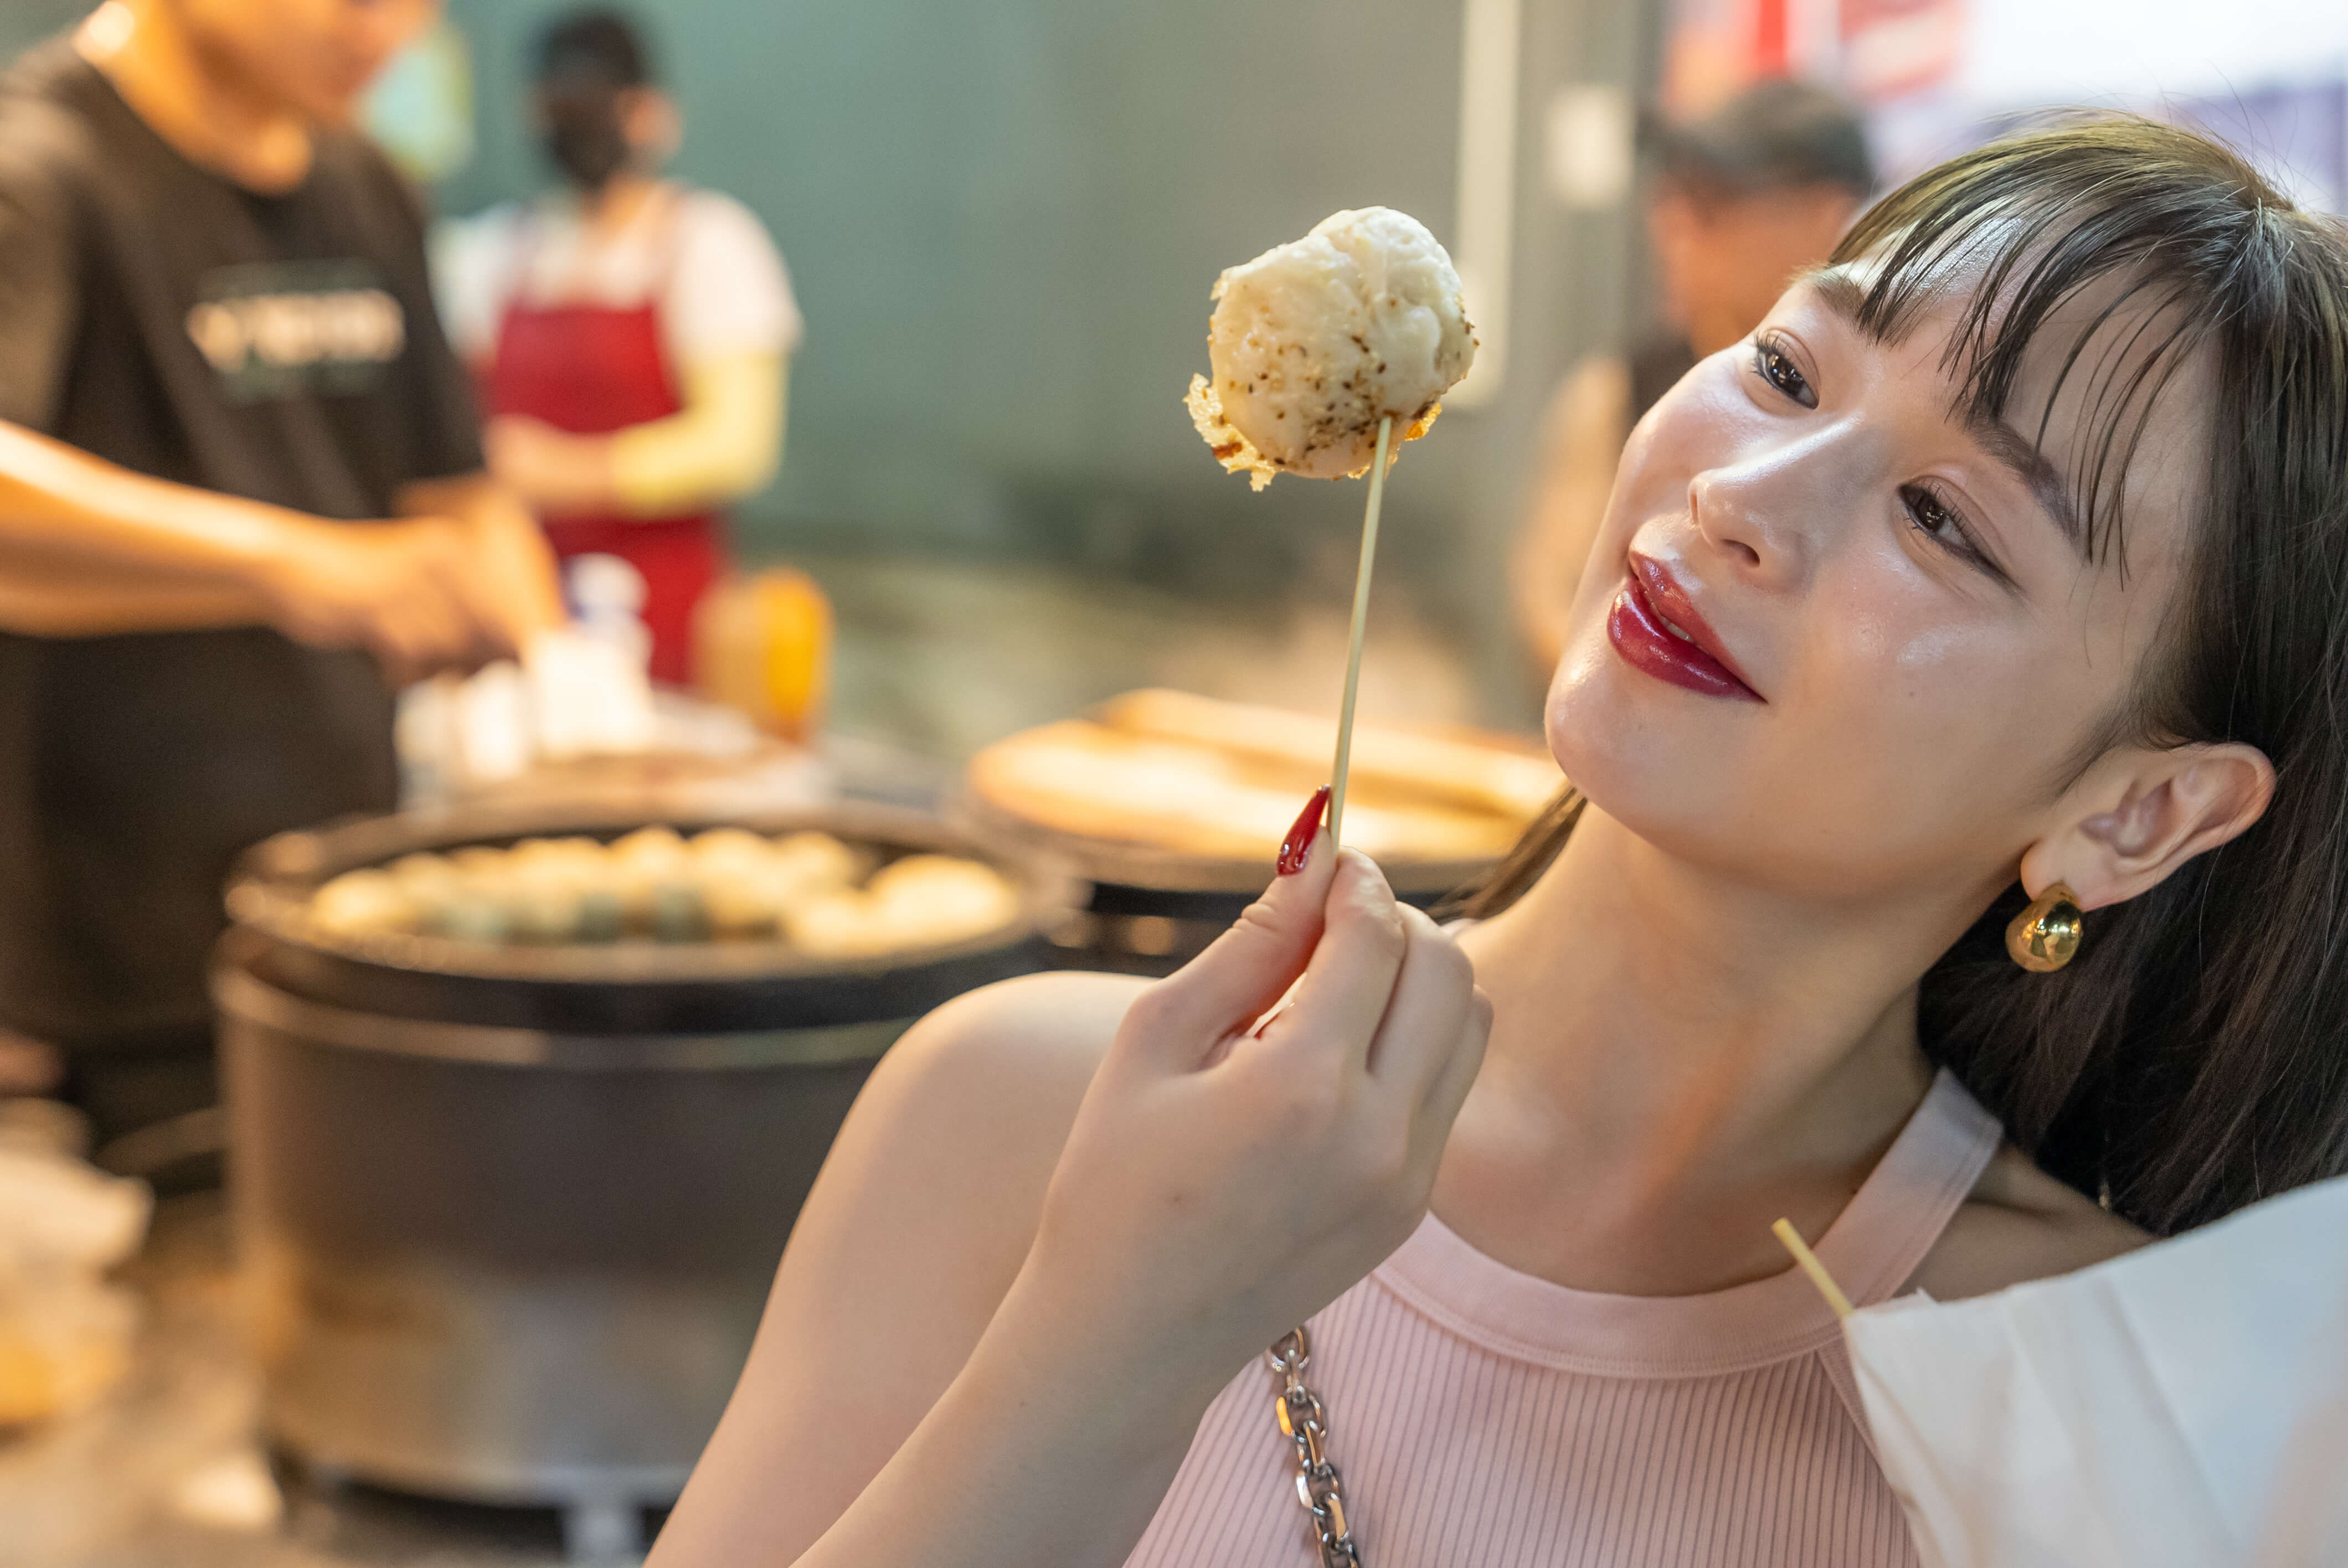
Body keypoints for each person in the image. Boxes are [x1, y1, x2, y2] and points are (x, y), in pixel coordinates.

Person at [645, 115, 2348, 1567]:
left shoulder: (2117, 1415)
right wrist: (1105, 1337)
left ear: (2137, 810)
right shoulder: (1019, 1109)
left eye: (1944, 518)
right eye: (1784, 367)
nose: (1749, 494)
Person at [0, 0, 564, 1157]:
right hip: (96, 958)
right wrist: (292, 564)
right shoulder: (41, 166)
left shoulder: (366, 184)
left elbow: (451, 486)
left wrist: (540, 647)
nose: (385, 28)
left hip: (342, 899)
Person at [435, 9, 800, 688]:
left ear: (649, 114)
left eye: (595, 105)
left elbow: (738, 445)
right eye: (558, 107)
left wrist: (567, 472)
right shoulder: (494, 254)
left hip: (661, 612)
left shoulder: (708, 244)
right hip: (517, 605)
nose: (577, 127)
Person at [1513, 79, 1872, 670]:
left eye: (1712, 205)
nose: (1673, 230)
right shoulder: (1617, 389)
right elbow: (1549, 595)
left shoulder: (1880, 420)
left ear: (1829, 219)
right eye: (1668, 200)